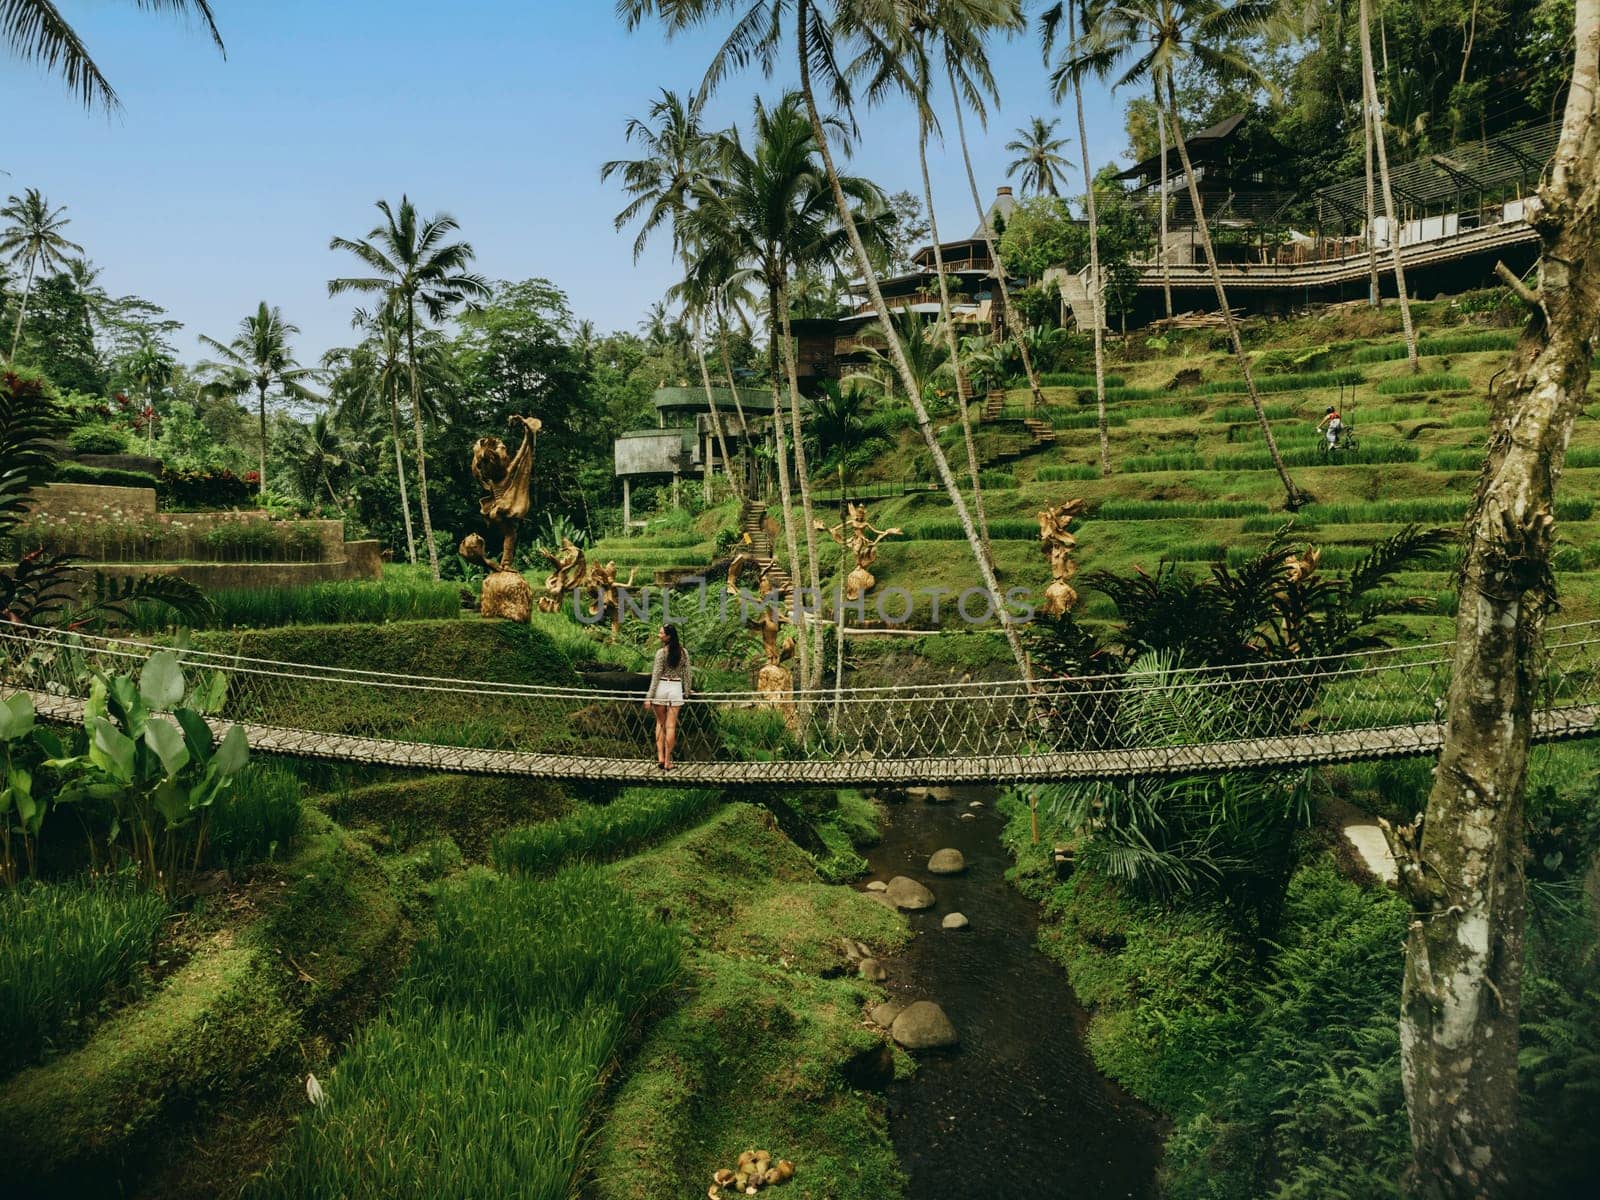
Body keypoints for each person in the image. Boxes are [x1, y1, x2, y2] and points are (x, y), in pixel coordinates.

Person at [644, 624, 691, 770]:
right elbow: (687, 674)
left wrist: (649, 696)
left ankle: (660, 757)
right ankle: (668, 761)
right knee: (671, 726)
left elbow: (656, 676)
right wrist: (688, 691)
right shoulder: (683, 653)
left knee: (660, 724)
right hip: (675, 688)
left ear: (668, 636)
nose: (659, 635)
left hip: (661, 688)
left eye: (661, 633)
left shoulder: (661, 653)